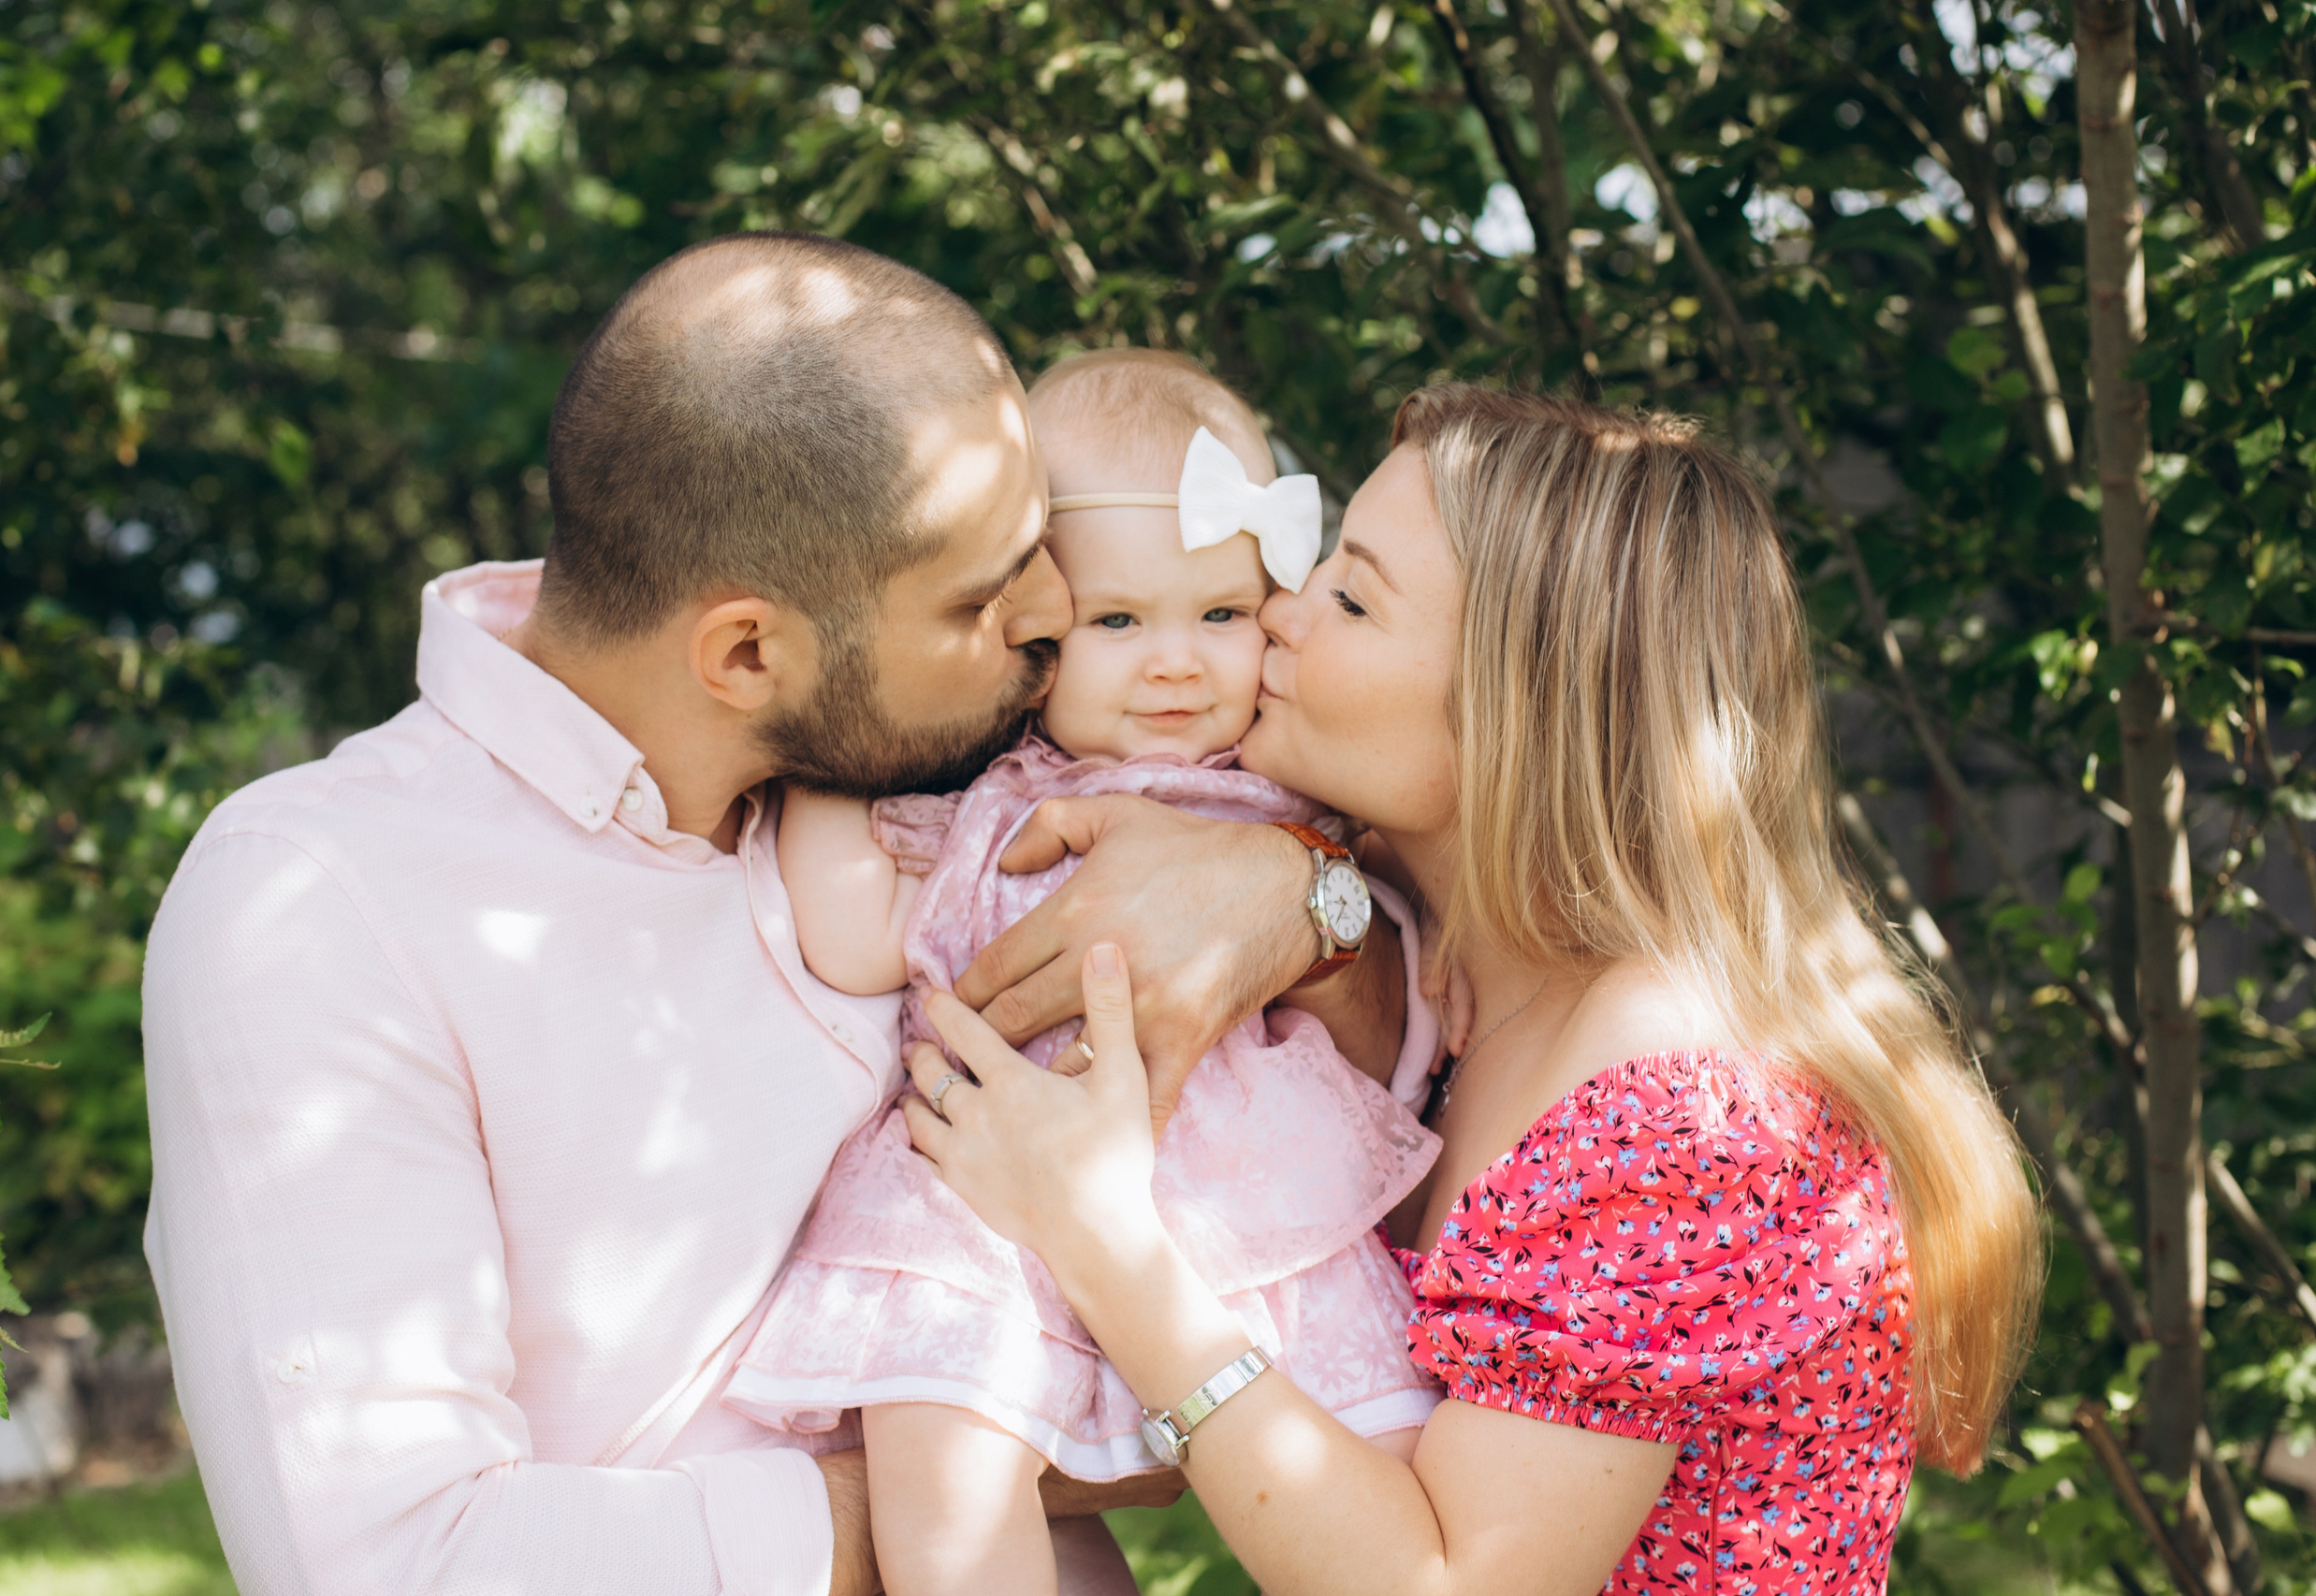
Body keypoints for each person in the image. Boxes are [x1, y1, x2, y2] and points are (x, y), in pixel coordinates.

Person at [138, 235, 1417, 1596]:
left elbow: (1387, 1047)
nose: (1056, 610)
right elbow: (398, 1567)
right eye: (985, 592)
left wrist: (1303, 897)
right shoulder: (320, 906)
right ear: (748, 652)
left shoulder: (966, 763)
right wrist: (981, 1444)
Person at [900, 386, 2047, 1595]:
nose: (1279, 612)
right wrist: (1297, 890)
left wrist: (1100, 1236)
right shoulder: (1442, 958)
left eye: (1351, 599)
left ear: (1518, 707)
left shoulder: (1675, 1113)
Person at [725, 351, 1446, 1596]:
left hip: (1253, 1197)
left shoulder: (1293, 789)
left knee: (1382, 1453)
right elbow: (853, 934)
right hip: (985, 1197)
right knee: (944, 1465)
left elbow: (1395, 971)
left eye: (1221, 615)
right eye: (1117, 622)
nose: (1176, 663)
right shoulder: (982, 802)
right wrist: (832, 758)